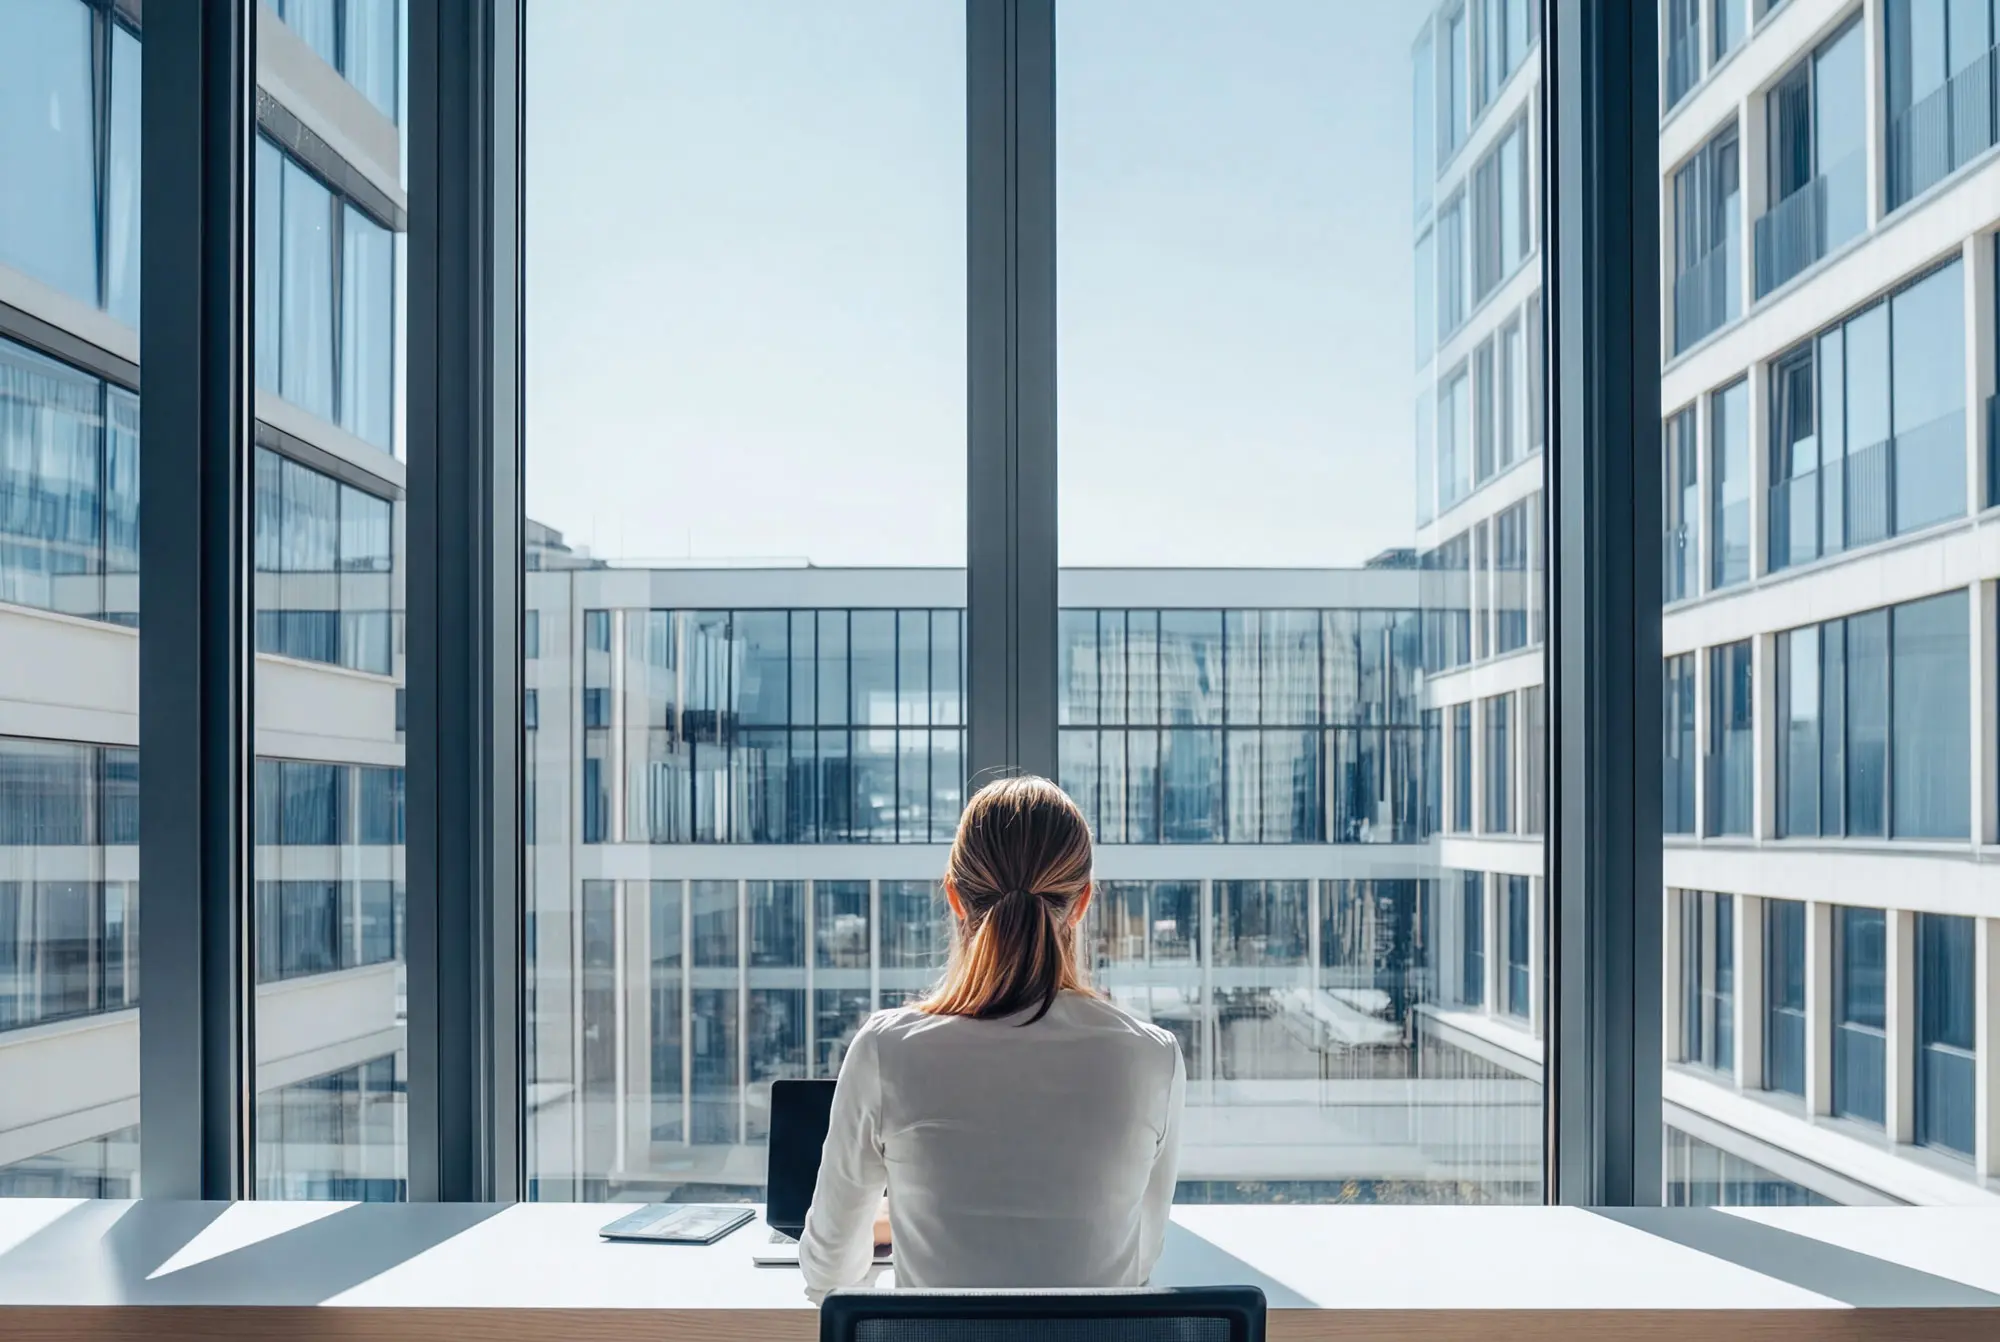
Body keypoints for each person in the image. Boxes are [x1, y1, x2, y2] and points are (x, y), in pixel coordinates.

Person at [798, 775, 1186, 1294]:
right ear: (1082, 902)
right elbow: (1137, 1263)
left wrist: (908, 1220)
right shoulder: (1151, 1058)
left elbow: (828, 1273)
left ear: (954, 897)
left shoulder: (886, 1050)